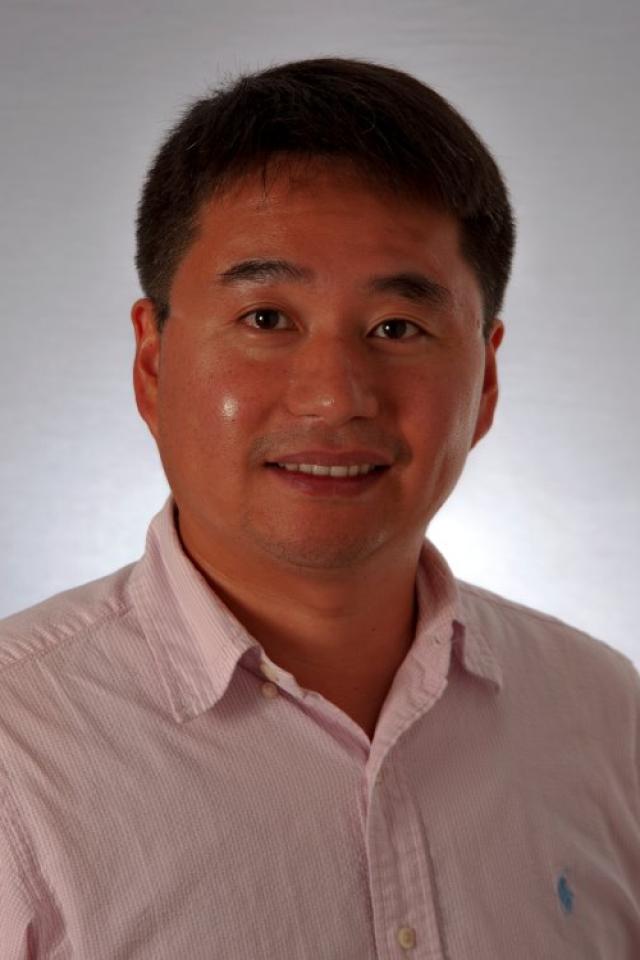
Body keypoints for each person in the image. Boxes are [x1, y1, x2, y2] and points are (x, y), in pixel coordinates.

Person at [0, 56, 638, 959]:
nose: (335, 398)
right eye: (266, 319)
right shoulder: (16, 756)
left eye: (397, 328)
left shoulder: (604, 717)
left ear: (486, 381)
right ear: (154, 362)